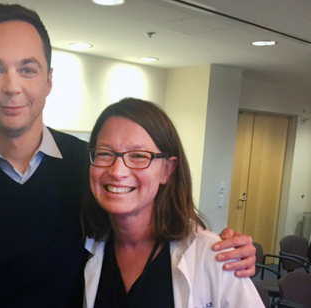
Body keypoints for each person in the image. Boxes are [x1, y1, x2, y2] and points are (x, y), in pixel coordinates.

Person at [0, 4, 256, 308]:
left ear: (48, 80)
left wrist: (222, 250)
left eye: (27, 69)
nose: (12, 87)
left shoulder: (89, 167)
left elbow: (146, 225)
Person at [81, 98, 264, 307]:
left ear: (167, 170)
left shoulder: (213, 256)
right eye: (104, 154)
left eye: (139, 156)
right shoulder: (84, 248)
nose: (117, 171)